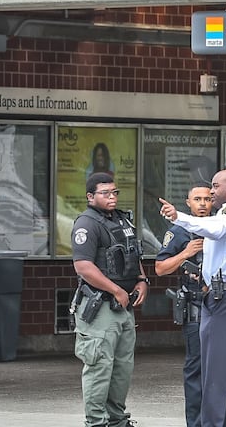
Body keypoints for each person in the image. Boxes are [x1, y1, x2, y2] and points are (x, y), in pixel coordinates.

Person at [158, 169, 226, 427]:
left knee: (214, 375)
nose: (212, 191)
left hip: (225, 298)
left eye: (216, 186)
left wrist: (179, 217)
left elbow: (217, 229)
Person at [71, 172, 149, 427]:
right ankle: (96, 422)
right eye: (105, 193)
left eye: (114, 192)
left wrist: (142, 281)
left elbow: (132, 255)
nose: (112, 197)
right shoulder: (87, 224)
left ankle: (117, 420)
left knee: (122, 369)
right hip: (101, 305)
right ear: (90, 196)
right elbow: (83, 266)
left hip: (124, 307)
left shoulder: (122, 221)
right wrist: (116, 290)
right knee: (99, 367)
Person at [154, 185, 226, 427]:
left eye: (207, 199)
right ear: (188, 203)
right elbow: (160, 268)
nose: (202, 204)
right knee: (196, 370)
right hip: (196, 310)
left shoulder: (222, 226)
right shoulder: (180, 231)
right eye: (197, 199)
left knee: (225, 368)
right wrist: (185, 254)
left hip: (222, 305)